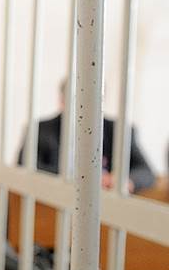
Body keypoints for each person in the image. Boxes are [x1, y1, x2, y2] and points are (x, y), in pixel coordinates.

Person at [19, 80, 155, 193]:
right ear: (62, 101)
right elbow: (25, 165)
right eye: (77, 100)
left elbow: (145, 172)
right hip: (54, 204)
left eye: (93, 100)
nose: (85, 107)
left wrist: (124, 181)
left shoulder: (119, 131)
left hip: (106, 206)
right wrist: (81, 179)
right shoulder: (40, 130)